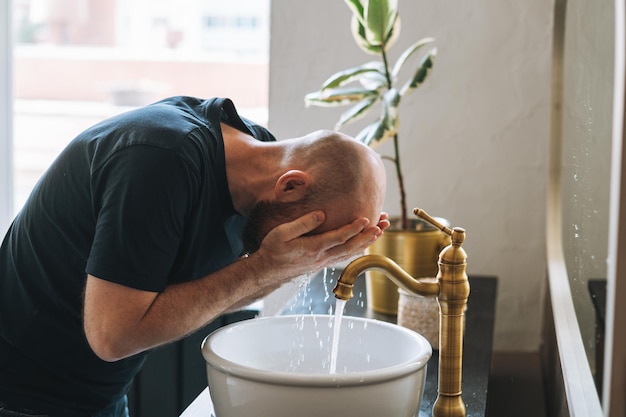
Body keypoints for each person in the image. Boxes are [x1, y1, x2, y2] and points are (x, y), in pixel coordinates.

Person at [0, 96, 389, 417]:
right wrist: (270, 266)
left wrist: (288, 264)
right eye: (313, 237)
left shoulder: (258, 169)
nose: (311, 251)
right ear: (290, 186)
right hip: (21, 394)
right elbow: (112, 336)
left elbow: (234, 285)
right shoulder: (159, 164)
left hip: (99, 395)